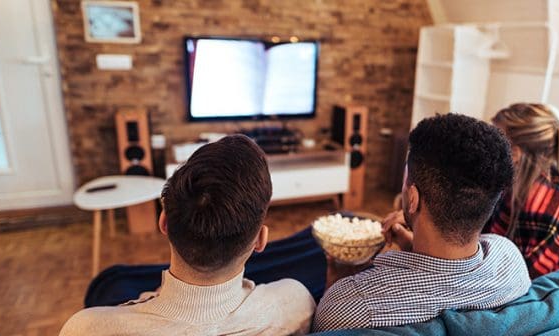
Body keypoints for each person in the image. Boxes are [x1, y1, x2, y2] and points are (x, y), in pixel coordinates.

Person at [60, 135, 316, 336]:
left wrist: (150, 300)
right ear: (261, 240)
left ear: (163, 222)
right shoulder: (295, 303)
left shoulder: (86, 328)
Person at [313, 114, 532, 332]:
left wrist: (336, 281)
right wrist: (411, 247)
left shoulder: (348, 306)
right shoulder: (510, 261)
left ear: (413, 199)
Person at [483, 103, 559, 278]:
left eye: (493, 140)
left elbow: (520, 287)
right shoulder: (511, 190)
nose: (486, 148)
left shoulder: (549, 214)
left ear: (514, 153)